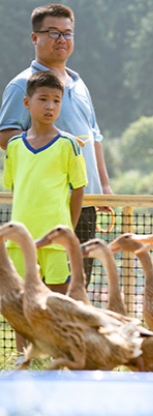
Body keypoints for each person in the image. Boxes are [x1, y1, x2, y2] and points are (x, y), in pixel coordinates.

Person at [0, 3, 112, 283]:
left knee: (79, 283)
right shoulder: (22, 85)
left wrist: (104, 188)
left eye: (67, 33)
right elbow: (6, 135)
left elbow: (94, 136)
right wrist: (52, 151)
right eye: (53, 32)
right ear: (35, 37)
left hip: (84, 200)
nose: (61, 39)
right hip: (50, 205)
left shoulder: (78, 83)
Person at [4, 71, 87, 291]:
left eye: (56, 101)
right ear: (27, 102)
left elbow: (78, 189)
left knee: (57, 302)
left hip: (56, 241)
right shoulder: (14, 146)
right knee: (21, 302)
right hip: (19, 240)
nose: (50, 106)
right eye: (43, 99)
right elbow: (14, 187)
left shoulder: (69, 144)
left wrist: (67, 230)